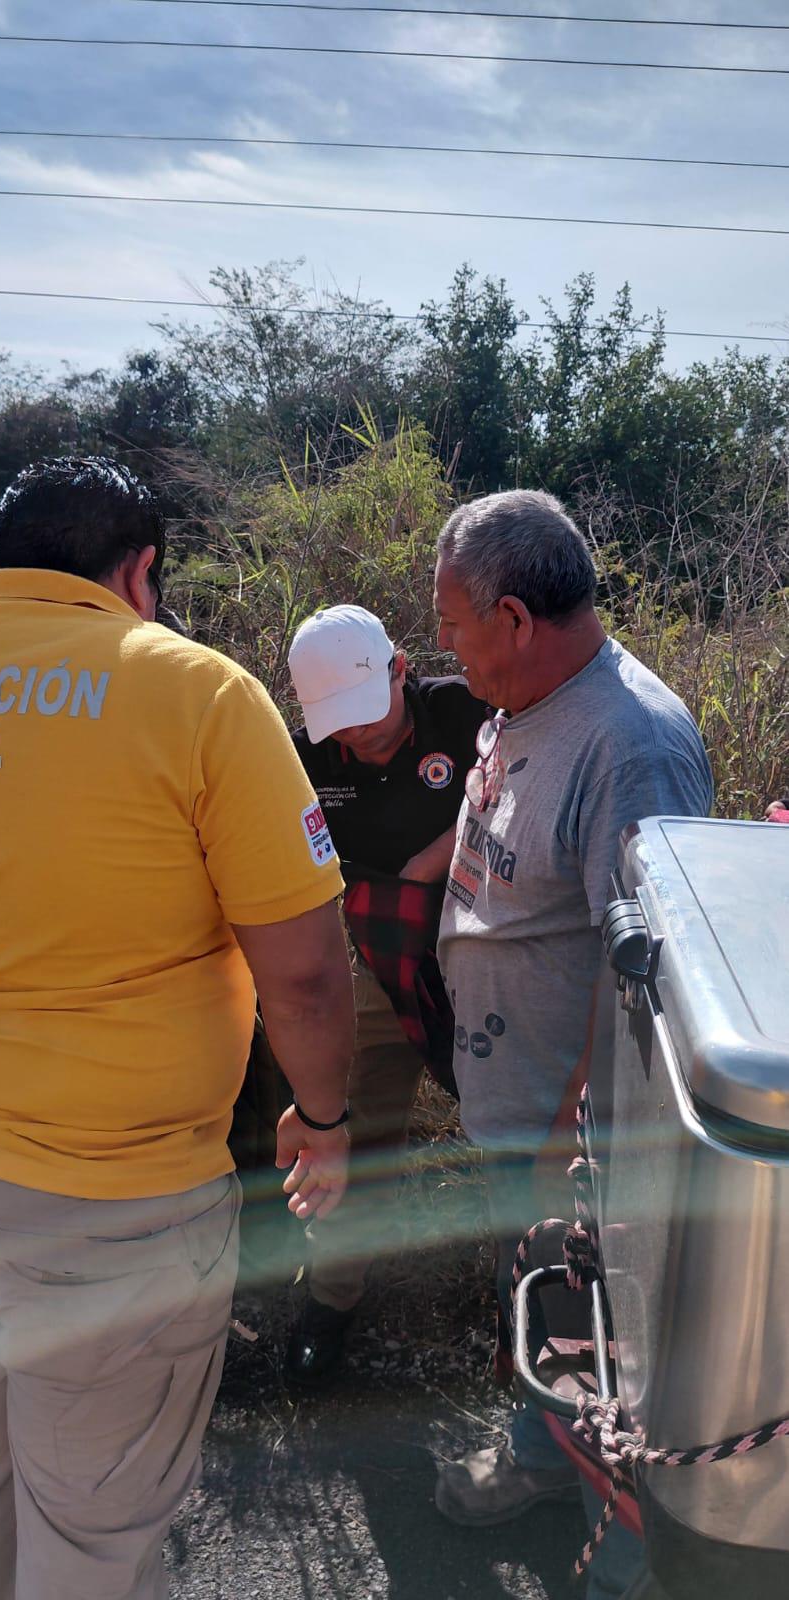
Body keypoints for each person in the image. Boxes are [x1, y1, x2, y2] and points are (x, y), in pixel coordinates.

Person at [0, 456, 355, 1600]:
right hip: (112, 1200)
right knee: (96, 1526)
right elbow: (302, 973)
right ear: (140, 570)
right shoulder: (195, 691)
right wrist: (326, 1118)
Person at [430, 490, 714, 1599]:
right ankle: (548, 1459)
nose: (443, 648)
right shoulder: (524, 697)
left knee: (619, 1351)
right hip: (521, 1105)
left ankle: (636, 1559)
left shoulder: (630, 744)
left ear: (512, 616)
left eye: (452, 622)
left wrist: (570, 1140)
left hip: (583, 1139)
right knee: (546, 1311)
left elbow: (651, 982)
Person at [283, 604, 485, 1384]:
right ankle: (331, 1298)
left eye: (365, 718)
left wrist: (435, 857)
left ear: (400, 668)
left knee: (518, 1122)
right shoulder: (306, 759)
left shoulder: (464, 713)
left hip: (483, 944)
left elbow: (518, 795)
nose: (353, 739)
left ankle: (541, 1307)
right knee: (353, 1131)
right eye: (337, 724)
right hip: (377, 960)